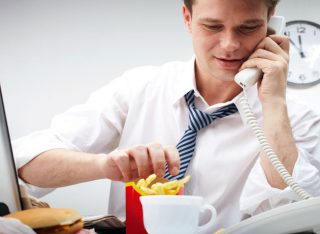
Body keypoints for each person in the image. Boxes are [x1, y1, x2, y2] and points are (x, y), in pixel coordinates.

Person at [13, 0, 320, 231]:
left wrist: (274, 103)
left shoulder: (298, 118)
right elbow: (24, 163)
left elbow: (297, 210)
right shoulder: (139, 88)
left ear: (271, 22)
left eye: (248, 27)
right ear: (187, 19)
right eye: (212, 26)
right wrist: (104, 165)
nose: (230, 45)